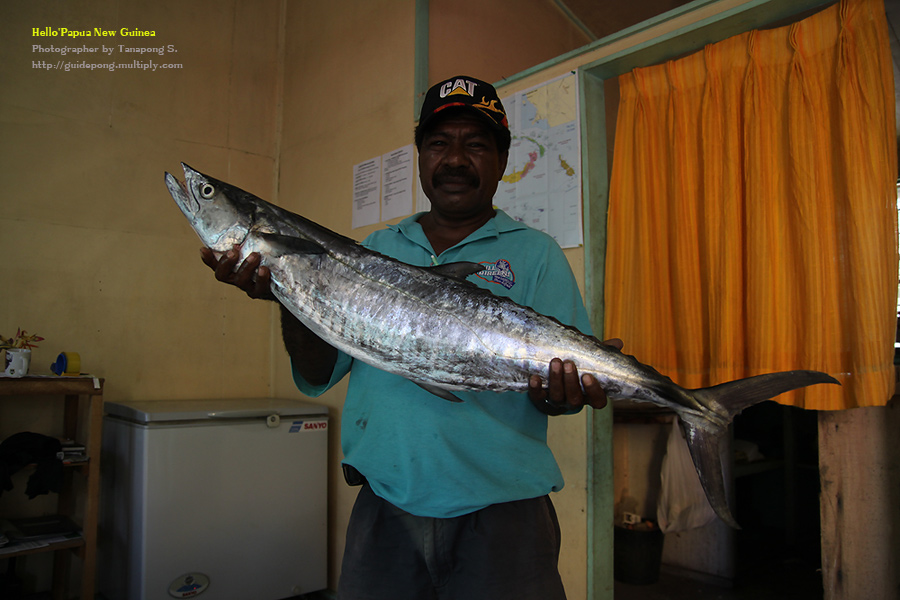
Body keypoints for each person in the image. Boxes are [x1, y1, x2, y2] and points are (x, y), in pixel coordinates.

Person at [202, 75, 622, 600]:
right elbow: (316, 372)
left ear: (502, 160)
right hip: (385, 508)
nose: (455, 159)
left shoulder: (536, 253)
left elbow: (561, 397)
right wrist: (288, 294)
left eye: (475, 144)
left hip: (505, 517)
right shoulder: (374, 248)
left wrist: (562, 394)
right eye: (440, 143)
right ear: (421, 157)